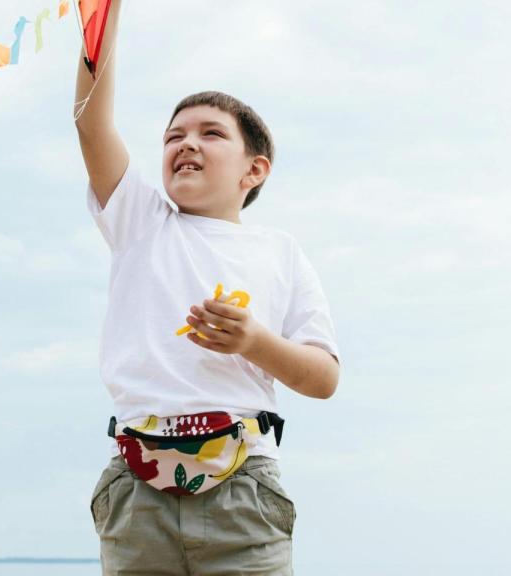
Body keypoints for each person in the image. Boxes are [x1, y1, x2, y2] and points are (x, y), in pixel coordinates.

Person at [75, 2, 340, 574]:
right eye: (174, 135)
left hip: (244, 486)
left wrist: (253, 341)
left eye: (211, 133)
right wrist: (102, 18)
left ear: (255, 170)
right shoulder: (141, 221)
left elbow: (322, 379)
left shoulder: (281, 252)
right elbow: (91, 125)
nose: (186, 143)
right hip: (136, 485)